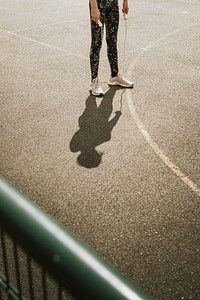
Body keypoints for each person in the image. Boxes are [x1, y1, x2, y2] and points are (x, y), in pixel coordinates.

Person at [89, 0, 133, 96]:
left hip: (113, 5)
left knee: (112, 41)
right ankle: (94, 81)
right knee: (96, 42)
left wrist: (125, 1)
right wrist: (94, 7)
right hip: (98, 5)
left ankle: (114, 76)